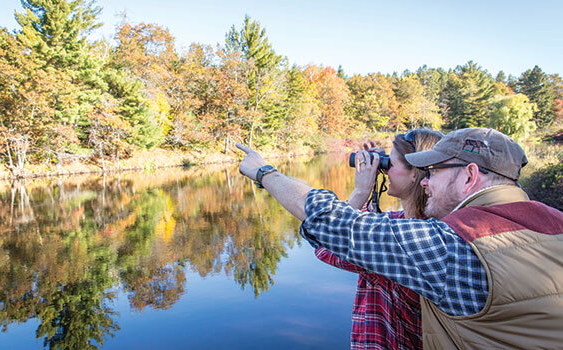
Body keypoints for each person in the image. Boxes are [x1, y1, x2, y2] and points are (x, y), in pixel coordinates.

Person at [236, 127, 563, 349]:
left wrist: (266, 173)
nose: (426, 181)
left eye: (434, 172)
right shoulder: (553, 223)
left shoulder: (448, 247)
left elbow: (332, 224)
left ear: (469, 175)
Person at [315, 129, 443, 349]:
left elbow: (326, 247)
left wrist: (360, 191)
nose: (383, 168)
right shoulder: (432, 226)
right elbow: (364, 226)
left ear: (414, 173)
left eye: (389, 164)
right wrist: (374, 183)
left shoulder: (402, 239)